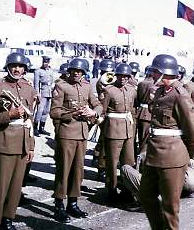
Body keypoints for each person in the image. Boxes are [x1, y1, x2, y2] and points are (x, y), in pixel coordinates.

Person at [139, 54, 194, 230]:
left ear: (164, 73)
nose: (153, 76)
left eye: (155, 72)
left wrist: (188, 155)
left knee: (170, 206)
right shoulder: (158, 91)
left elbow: (192, 130)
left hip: (173, 157)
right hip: (154, 153)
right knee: (145, 195)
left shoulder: (180, 95)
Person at [0, 52, 36, 230]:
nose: (17, 69)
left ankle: (7, 219)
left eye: (20, 66)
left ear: (25, 69)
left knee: (15, 187)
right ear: (8, 67)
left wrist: (31, 146)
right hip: (5, 141)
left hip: (23, 143)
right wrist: (9, 115)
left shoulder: (29, 88)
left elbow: (30, 121)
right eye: (14, 66)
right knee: (0, 185)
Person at [50, 58, 102, 223]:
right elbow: (54, 112)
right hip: (66, 133)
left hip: (82, 134)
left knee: (78, 171)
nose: (76, 73)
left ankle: (72, 203)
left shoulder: (87, 86)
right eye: (74, 71)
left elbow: (98, 104)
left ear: (84, 73)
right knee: (63, 170)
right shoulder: (61, 86)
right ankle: (58, 205)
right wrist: (72, 114)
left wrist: (93, 113)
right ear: (69, 71)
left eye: (80, 71)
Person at [100, 63, 137, 205]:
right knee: (112, 163)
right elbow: (102, 111)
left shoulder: (132, 90)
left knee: (129, 163)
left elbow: (133, 109)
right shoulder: (109, 90)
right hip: (113, 130)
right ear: (116, 76)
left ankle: (128, 190)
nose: (123, 79)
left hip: (128, 131)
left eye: (126, 76)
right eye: (121, 76)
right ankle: (111, 190)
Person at [33, 56, 54, 136]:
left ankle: (42, 128)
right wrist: (37, 94)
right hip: (42, 93)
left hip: (49, 93)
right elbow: (36, 84)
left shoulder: (51, 71)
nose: (46, 64)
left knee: (46, 111)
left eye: (47, 62)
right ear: (42, 62)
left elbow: (51, 82)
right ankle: (35, 128)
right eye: (44, 62)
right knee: (39, 111)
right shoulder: (38, 71)